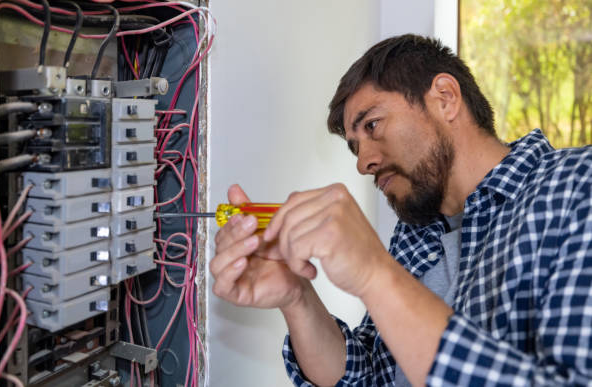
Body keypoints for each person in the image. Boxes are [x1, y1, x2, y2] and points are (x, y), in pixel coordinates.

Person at [209, 34, 592, 386]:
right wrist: (296, 296)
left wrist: (376, 275)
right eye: (354, 146)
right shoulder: (416, 232)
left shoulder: (576, 186)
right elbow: (369, 375)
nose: (363, 163)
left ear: (445, 97)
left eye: (372, 125)